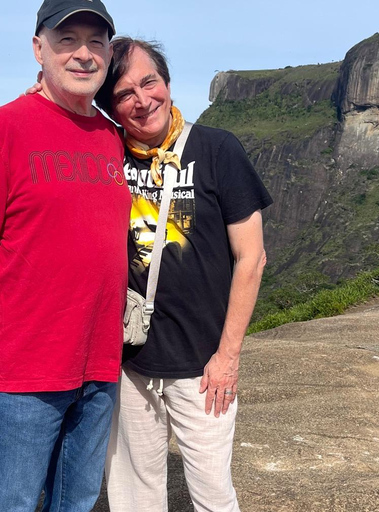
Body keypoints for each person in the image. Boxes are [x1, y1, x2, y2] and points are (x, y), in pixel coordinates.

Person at [0, 1, 132, 511]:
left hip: (101, 368)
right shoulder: (5, 128)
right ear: (38, 50)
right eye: (66, 40)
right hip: (28, 377)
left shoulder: (110, 138)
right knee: (12, 505)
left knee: (77, 501)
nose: (83, 54)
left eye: (96, 41)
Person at [95, 39, 273, 512]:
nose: (142, 99)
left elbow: (251, 258)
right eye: (124, 92)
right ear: (112, 108)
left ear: (168, 83)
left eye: (149, 82)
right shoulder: (107, 153)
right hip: (129, 359)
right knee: (133, 493)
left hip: (203, 364)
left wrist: (228, 357)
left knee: (213, 494)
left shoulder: (217, 148)